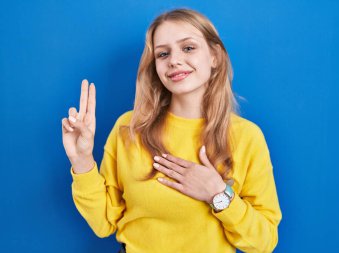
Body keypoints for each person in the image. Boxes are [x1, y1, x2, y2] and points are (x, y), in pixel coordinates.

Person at [62, 8, 282, 253]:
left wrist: (218, 193)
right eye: (163, 53)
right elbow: (104, 223)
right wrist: (81, 161)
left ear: (215, 56)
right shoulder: (129, 128)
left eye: (188, 48)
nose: (174, 60)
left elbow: (264, 242)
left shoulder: (247, 137)